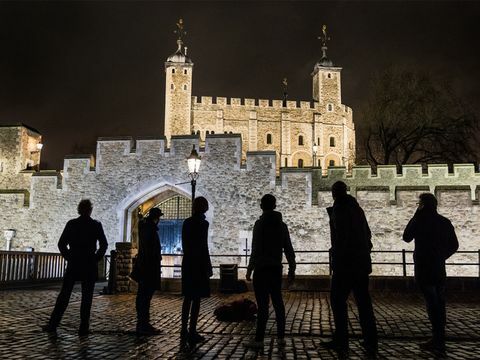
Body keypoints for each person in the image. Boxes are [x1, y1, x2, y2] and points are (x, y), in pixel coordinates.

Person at [322, 181, 377, 355]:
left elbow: (342, 237)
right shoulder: (357, 209)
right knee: (364, 303)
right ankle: (370, 340)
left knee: (337, 301)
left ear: (335, 193)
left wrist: (338, 254)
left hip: (346, 264)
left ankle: (341, 339)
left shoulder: (340, 209)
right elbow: (367, 234)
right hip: (361, 263)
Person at [42, 199, 108, 336]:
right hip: (89, 264)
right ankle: (83, 326)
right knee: (87, 297)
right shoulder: (95, 225)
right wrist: (95, 258)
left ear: (79, 209)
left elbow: (61, 244)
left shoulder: (72, 224)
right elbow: (104, 244)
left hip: (75, 263)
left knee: (64, 295)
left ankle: (53, 323)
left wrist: (69, 256)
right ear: (90, 210)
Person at [403, 193, 458, 353]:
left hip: (424, 267)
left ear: (423, 205)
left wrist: (415, 215)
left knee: (432, 303)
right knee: (439, 302)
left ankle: (437, 338)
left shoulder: (420, 221)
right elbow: (454, 245)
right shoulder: (444, 222)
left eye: (419, 203)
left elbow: (406, 237)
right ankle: (439, 336)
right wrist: (442, 256)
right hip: (439, 268)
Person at [244, 194, 296, 350]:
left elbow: (255, 249)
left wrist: (249, 269)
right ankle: (281, 337)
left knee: (263, 305)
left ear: (262, 206)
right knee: (278, 303)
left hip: (261, 268)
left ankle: (259, 339)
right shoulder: (282, 226)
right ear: (274, 205)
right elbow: (288, 248)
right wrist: (292, 268)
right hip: (275, 268)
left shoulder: (259, 225)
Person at [180, 196, 213, 345]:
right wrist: (208, 266)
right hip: (198, 264)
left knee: (187, 298)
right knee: (197, 299)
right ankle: (192, 330)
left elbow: (185, 244)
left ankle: (183, 329)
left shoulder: (186, 223)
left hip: (188, 263)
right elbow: (203, 246)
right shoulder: (203, 224)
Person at [131, 207, 163, 335]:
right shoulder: (150, 229)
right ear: (156, 218)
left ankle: (142, 323)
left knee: (143, 295)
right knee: (145, 296)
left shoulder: (144, 227)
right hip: (149, 267)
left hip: (144, 266)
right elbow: (151, 249)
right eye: (159, 217)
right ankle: (143, 323)